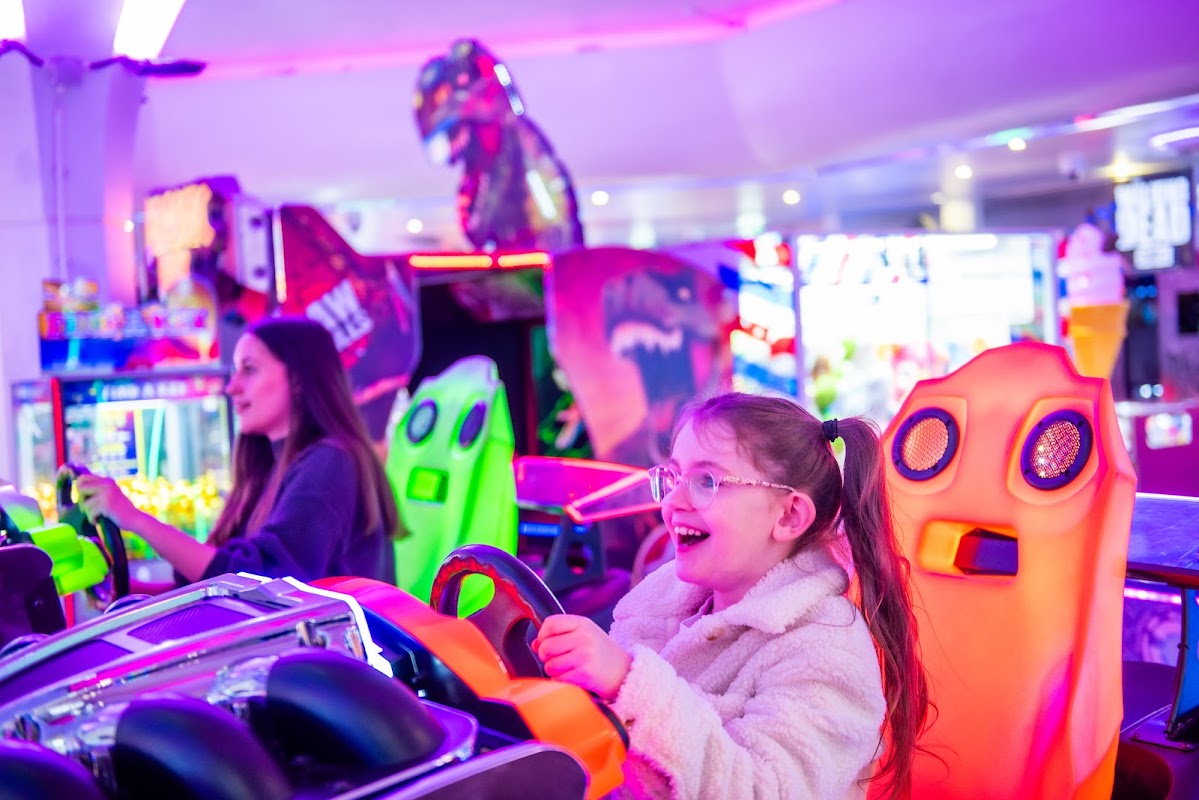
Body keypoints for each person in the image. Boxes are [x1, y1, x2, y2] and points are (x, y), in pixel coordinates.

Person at [532, 392, 929, 800]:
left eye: (706, 482)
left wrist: (627, 681)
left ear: (789, 515)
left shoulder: (827, 652)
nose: (672, 501)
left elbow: (765, 790)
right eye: (673, 478)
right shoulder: (666, 606)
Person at [78, 316, 399, 587]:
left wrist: (134, 518)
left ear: (298, 379)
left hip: (334, 662)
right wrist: (122, 589)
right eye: (235, 371)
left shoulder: (331, 463)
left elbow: (265, 580)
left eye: (249, 369)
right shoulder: (270, 467)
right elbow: (214, 588)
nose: (232, 388)